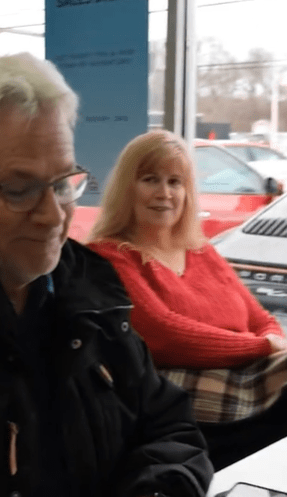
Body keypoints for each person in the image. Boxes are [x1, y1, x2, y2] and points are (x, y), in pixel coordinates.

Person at [0, 56, 213, 497]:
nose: (54, 217)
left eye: (61, 183)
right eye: (19, 189)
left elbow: (168, 425)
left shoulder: (92, 292)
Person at [87, 129, 287, 471]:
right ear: (126, 188)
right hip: (176, 408)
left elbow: (261, 319)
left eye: (175, 182)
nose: (164, 193)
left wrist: (273, 345)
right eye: (150, 179)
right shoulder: (109, 256)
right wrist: (262, 348)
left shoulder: (202, 251)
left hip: (242, 386)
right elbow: (164, 334)